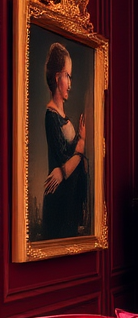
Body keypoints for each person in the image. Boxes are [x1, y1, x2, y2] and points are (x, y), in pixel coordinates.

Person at [40, 41, 88, 240]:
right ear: (58, 77)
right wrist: (81, 144)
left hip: (70, 201)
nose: (70, 83)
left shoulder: (63, 116)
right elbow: (65, 167)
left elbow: (69, 167)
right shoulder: (51, 116)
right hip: (59, 203)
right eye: (68, 76)